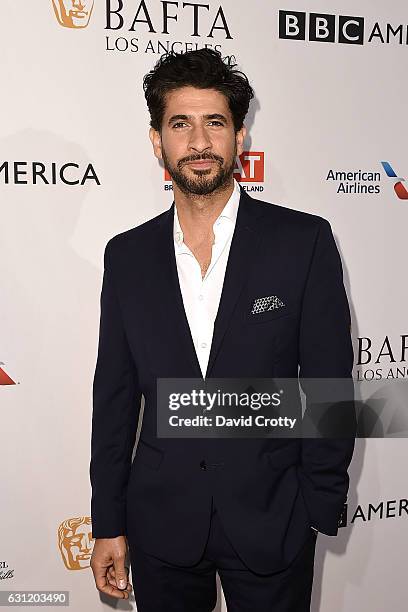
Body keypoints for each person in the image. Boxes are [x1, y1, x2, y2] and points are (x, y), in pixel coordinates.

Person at [90, 48, 355, 611]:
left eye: (216, 123)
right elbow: (113, 399)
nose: (200, 142)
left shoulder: (302, 242)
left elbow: (330, 384)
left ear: (240, 138)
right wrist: (107, 521)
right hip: (161, 521)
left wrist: (317, 501)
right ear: (157, 141)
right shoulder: (128, 255)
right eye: (180, 124)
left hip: (274, 515)